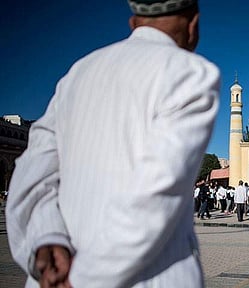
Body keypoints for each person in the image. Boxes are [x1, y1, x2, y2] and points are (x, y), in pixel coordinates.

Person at [6, 1, 219, 287]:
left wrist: (46, 239)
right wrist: (84, 278)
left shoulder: (78, 74)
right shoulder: (191, 73)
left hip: (53, 277)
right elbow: (155, 193)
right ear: (193, 24)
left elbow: (32, 175)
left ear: (134, 23)